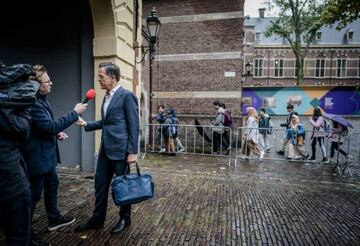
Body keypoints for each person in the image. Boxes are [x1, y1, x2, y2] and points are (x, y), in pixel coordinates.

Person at [20, 65, 88, 245]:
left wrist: (56, 133)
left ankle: (54, 218)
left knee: (53, 184)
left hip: (47, 158)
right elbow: (49, 126)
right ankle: (26, 237)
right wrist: (74, 113)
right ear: (36, 84)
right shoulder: (32, 103)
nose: (51, 82)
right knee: (31, 198)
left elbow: (45, 127)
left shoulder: (43, 99)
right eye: (47, 81)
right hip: (37, 160)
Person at [75, 62, 139, 235]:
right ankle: (97, 220)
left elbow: (134, 125)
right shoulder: (106, 97)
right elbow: (107, 123)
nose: (99, 80)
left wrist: (132, 151)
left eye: (101, 77)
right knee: (100, 185)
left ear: (112, 77)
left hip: (121, 152)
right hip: (105, 150)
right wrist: (86, 123)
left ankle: (125, 218)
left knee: (123, 188)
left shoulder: (126, 96)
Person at [0, 105, 32, 245]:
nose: (51, 83)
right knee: (17, 237)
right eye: (47, 81)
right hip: (9, 178)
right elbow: (22, 128)